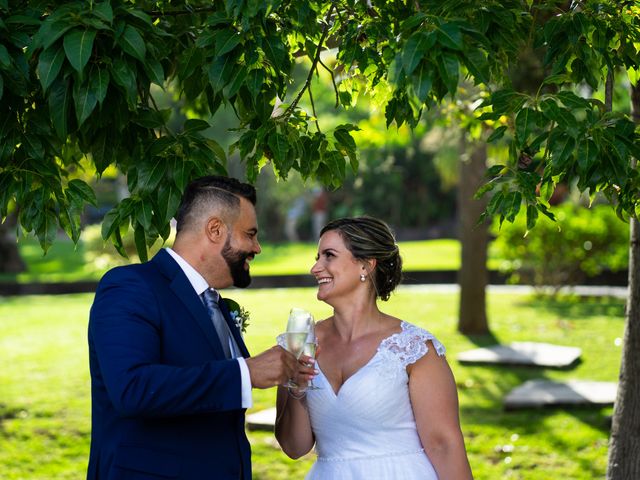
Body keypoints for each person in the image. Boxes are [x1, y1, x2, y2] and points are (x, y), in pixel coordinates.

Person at [87, 175, 302, 480]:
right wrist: (246, 373)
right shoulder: (131, 287)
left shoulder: (214, 302)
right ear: (215, 230)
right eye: (250, 234)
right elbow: (132, 389)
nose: (257, 247)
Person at [275, 216, 473, 479]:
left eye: (329, 256)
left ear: (366, 266)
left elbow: (444, 445)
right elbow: (294, 447)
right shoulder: (297, 343)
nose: (315, 268)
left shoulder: (414, 349)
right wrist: (297, 390)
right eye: (317, 257)